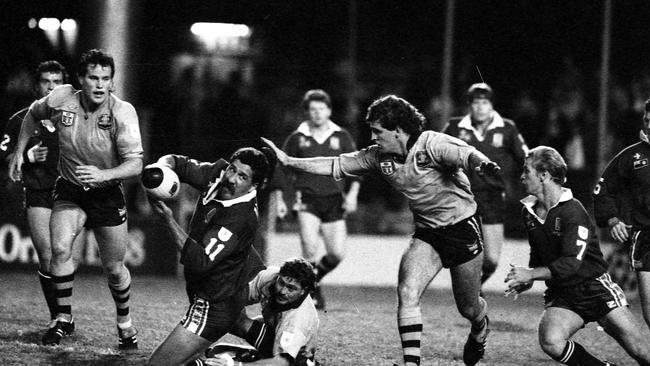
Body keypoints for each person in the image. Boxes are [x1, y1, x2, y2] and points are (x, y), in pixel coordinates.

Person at [263, 95, 500, 366]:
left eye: (378, 131)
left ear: (397, 130)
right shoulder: (378, 156)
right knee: (407, 291)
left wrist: (484, 165)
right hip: (427, 233)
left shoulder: (432, 143)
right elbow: (334, 164)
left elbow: (467, 154)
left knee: (469, 307)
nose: (374, 137)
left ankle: (480, 328)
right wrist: (290, 161)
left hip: (461, 229)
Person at [8, 49, 143, 348]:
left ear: (112, 82)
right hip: (69, 189)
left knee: (114, 268)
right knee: (58, 250)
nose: (99, 85)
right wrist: (20, 151)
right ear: (81, 79)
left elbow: (135, 164)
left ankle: (125, 325)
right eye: (93, 78)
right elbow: (33, 113)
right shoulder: (61, 98)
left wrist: (104, 175)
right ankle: (63, 319)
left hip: (106, 194)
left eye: (105, 79)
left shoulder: (122, 112)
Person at [505, 146, 650, 366]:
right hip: (563, 292)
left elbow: (570, 264)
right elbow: (539, 254)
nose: (522, 176)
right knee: (551, 341)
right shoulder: (529, 211)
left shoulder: (573, 211)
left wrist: (532, 274)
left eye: (527, 171)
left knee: (642, 352)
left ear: (544, 175)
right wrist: (528, 278)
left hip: (595, 289)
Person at [147, 147, 273, 366]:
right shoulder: (220, 174)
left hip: (212, 304)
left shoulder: (239, 217)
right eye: (232, 169)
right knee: (239, 322)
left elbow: (200, 261)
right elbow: (179, 162)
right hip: (227, 289)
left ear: (254, 185)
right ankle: (293, 356)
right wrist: (162, 169)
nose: (231, 178)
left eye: (242, 176)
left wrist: (168, 219)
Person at [1, 60, 83, 324]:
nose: (51, 86)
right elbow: (5, 155)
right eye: (46, 81)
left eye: (56, 81)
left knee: (71, 258)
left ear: (65, 86)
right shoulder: (20, 120)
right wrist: (26, 154)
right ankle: (60, 317)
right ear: (37, 85)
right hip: (38, 192)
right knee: (48, 256)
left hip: (72, 193)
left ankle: (62, 313)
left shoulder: (77, 117)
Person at [274, 89, 360, 310]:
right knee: (310, 249)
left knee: (337, 253)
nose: (317, 113)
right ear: (307, 112)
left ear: (329, 110)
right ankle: (310, 293)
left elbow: (356, 168)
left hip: (333, 200)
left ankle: (314, 279)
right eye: (313, 109)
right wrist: (281, 199)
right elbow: (281, 169)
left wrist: (352, 195)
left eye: (321, 109)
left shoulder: (341, 136)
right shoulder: (297, 137)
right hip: (307, 198)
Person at [443, 83, 528, 290]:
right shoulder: (455, 127)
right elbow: (437, 153)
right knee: (462, 251)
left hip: (492, 197)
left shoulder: (507, 128)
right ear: (469, 106)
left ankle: (473, 288)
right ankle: (468, 291)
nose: (480, 107)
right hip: (461, 196)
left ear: (491, 105)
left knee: (491, 259)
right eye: (476, 103)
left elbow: (526, 159)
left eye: (484, 102)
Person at [593, 98, 650, 331]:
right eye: (647, 120)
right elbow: (602, 189)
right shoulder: (632, 156)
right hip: (646, 237)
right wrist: (612, 219)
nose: (649, 126)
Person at [202, 257, 319, 366]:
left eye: (291, 288)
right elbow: (235, 300)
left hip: (294, 359)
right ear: (278, 276)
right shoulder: (269, 276)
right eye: (281, 283)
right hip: (275, 331)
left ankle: (256, 358)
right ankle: (258, 356)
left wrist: (236, 365)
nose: (283, 291)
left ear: (303, 291)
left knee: (237, 325)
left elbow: (282, 362)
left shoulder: (299, 319)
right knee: (230, 316)